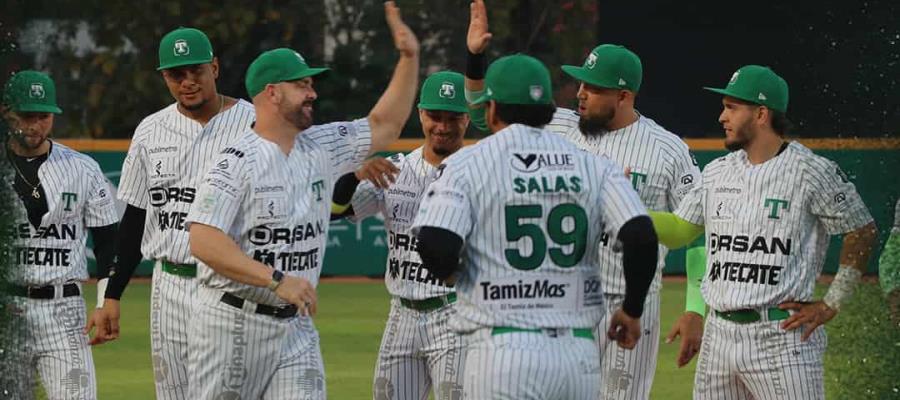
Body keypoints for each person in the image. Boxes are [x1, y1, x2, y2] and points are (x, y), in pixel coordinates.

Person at [464, 5, 705, 397]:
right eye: (581, 83)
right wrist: (475, 59)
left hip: (632, 300)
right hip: (563, 297)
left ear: (623, 95)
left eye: (593, 88)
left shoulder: (667, 149)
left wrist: (695, 306)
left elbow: (698, 230)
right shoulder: (557, 126)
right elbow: (481, 117)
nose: (580, 93)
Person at [185, 2, 420, 398]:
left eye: (311, 84)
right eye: (302, 85)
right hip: (231, 325)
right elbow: (203, 240)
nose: (313, 92)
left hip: (295, 328)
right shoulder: (235, 161)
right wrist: (276, 280)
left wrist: (409, 58)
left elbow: (385, 124)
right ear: (272, 93)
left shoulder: (322, 145)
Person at [411, 54, 658, 399]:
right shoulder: (594, 165)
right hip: (577, 356)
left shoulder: (467, 164)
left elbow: (434, 241)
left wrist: (456, 276)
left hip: (502, 349)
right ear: (547, 111)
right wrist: (631, 309)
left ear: (491, 109)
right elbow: (641, 236)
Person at [651, 65, 879, 399]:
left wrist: (832, 302)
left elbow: (862, 229)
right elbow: (679, 230)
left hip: (780, 336)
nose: (722, 117)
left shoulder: (809, 171)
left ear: (761, 114)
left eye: (731, 107)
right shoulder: (717, 172)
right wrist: (628, 211)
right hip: (718, 336)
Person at [90, 27, 257, 399]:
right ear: (165, 78)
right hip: (169, 286)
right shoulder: (151, 131)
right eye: (176, 74)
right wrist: (111, 296)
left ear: (215, 68)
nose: (187, 82)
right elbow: (135, 220)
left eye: (196, 70)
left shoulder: (254, 124)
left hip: (230, 284)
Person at [331, 70, 469, 399]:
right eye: (435, 116)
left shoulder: (478, 171)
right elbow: (336, 211)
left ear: (467, 118)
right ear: (420, 114)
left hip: (455, 312)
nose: (443, 126)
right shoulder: (397, 169)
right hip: (401, 314)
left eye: (453, 118)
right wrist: (353, 176)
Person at [2, 70, 119, 399]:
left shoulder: (82, 168)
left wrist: (106, 300)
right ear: (7, 112)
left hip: (65, 310)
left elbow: (108, 241)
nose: (35, 125)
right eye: (27, 116)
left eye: (44, 116)